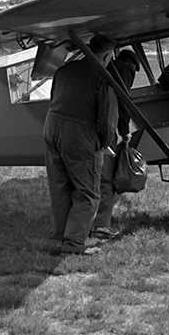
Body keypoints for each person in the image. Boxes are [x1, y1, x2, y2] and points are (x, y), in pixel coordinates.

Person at [43, 34, 118, 255]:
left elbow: (54, 98)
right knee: (88, 191)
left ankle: (61, 235)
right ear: (107, 55)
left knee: (60, 186)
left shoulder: (64, 70)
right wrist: (103, 145)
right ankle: (74, 243)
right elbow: (107, 120)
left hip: (52, 127)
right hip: (78, 134)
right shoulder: (103, 78)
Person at [92, 49, 140, 240]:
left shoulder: (112, 67)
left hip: (92, 127)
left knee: (98, 176)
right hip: (107, 129)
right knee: (107, 177)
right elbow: (123, 100)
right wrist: (124, 131)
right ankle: (100, 225)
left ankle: (92, 221)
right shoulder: (125, 70)